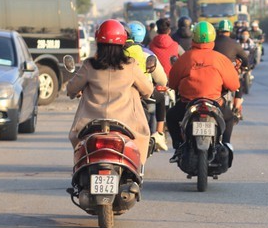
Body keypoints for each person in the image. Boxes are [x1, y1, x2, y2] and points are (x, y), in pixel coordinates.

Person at [66, 19, 153, 165]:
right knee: (144, 137)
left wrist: (79, 89)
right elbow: (148, 90)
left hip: (91, 124)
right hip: (126, 125)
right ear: (123, 43)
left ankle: (80, 169)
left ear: (98, 42)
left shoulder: (89, 65)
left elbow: (71, 89)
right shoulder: (130, 65)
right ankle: (138, 171)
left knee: (77, 140)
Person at [166, 21, 240, 161]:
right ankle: (226, 143)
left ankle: (178, 145)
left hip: (188, 104)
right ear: (212, 38)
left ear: (193, 37)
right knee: (229, 117)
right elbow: (233, 84)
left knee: (170, 116)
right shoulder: (220, 59)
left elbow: (173, 83)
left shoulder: (186, 58)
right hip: (215, 103)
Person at [124, 21, 169, 151]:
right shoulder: (147, 53)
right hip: (144, 91)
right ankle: (159, 133)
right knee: (161, 99)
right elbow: (161, 79)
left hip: (120, 92)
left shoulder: (118, 53)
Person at [213, 19, 249, 118]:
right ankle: (237, 108)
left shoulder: (212, 43)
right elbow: (245, 58)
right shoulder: (235, 44)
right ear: (230, 31)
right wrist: (246, 67)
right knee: (238, 86)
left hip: (213, 75)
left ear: (218, 30)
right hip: (230, 75)